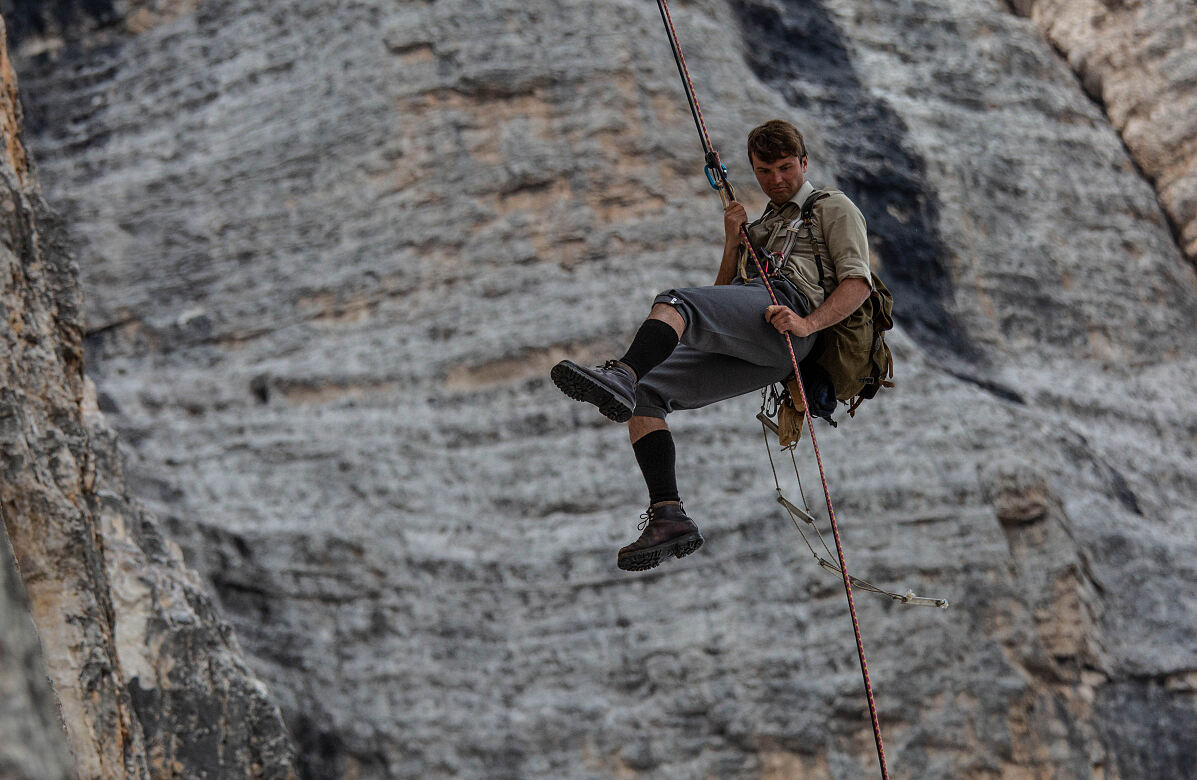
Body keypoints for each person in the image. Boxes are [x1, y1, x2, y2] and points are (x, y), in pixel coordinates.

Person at [551, 119, 872, 572]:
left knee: (674, 301)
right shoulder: (763, 224)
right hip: (761, 343)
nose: (776, 180)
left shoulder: (833, 208)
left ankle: (620, 372)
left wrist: (805, 323)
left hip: (788, 319)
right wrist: (731, 241)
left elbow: (858, 283)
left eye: (785, 168)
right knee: (648, 393)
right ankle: (668, 514)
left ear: (804, 162)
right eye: (764, 170)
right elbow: (721, 295)